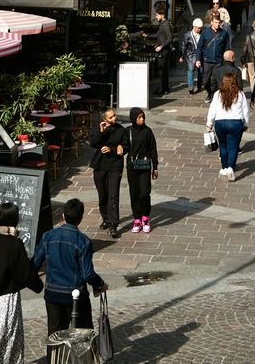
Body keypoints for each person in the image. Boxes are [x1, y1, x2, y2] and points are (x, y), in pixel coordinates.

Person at [0, 201, 42, 364]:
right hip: (7, 296)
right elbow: (24, 272)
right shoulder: (14, 243)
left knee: (3, 333)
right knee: (7, 335)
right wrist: (38, 286)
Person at [32, 198, 107, 335]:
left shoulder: (48, 236)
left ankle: (55, 357)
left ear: (63, 216)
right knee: (83, 335)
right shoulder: (83, 242)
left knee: (55, 336)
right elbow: (88, 274)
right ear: (80, 219)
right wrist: (100, 284)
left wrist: (38, 284)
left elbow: (34, 264)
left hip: (53, 294)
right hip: (76, 296)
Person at [88, 108, 127, 237]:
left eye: (114, 115)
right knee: (103, 195)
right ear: (105, 119)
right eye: (110, 117)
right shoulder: (98, 128)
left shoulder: (121, 130)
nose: (114, 118)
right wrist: (101, 131)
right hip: (100, 165)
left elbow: (126, 147)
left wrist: (112, 149)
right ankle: (105, 218)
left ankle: (113, 224)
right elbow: (93, 143)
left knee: (113, 196)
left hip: (115, 166)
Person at [205, 71, 250, 181]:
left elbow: (212, 110)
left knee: (223, 146)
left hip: (220, 122)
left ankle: (224, 167)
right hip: (235, 123)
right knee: (233, 147)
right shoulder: (240, 94)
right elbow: (245, 111)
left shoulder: (217, 94)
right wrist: (246, 123)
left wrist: (209, 123)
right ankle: (231, 168)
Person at [125, 108, 160, 234]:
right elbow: (124, 147)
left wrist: (155, 167)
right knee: (134, 193)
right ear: (133, 118)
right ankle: (137, 219)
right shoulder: (128, 131)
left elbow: (153, 149)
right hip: (132, 166)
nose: (142, 119)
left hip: (145, 166)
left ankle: (145, 217)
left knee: (144, 192)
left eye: (143, 117)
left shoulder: (147, 131)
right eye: (139, 117)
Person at [197, 16, 229, 101]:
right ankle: (209, 92)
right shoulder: (205, 32)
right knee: (205, 81)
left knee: (218, 81)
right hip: (207, 60)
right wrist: (198, 59)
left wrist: (227, 59)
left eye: (219, 23)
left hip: (218, 61)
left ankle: (215, 96)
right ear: (211, 22)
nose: (217, 24)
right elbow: (199, 47)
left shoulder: (224, 33)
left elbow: (227, 47)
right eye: (216, 22)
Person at [152, 2, 174, 94]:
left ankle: (163, 89)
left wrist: (161, 46)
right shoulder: (163, 23)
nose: (156, 17)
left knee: (162, 70)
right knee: (163, 70)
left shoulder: (165, 25)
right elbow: (158, 35)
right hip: (163, 50)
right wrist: (147, 35)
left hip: (164, 51)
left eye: (157, 15)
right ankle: (165, 88)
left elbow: (169, 39)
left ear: (162, 15)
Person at [183, 17, 203, 94]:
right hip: (190, 55)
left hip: (200, 54)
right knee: (190, 71)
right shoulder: (188, 35)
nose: (199, 30)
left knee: (200, 71)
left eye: (200, 28)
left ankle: (199, 85)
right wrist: (183, 55)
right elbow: (184, 45)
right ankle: (191, 87)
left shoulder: (202, 34)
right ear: (194, 27)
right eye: (198, 28)